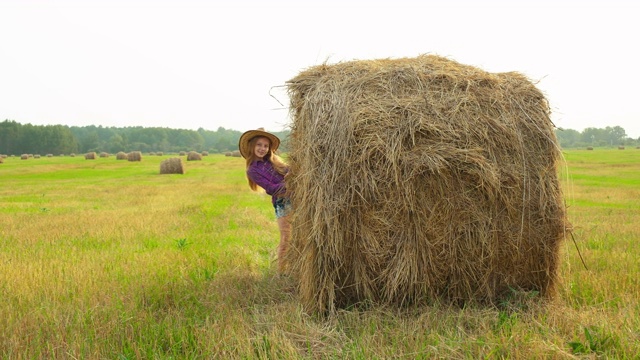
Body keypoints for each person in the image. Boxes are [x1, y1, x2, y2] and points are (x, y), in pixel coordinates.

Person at [238, 128, 291, 273]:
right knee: (287, 238)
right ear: (252, 146)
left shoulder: (274, 161)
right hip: (283, 203)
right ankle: (282, 272)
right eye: (259, 145)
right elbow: (271, 188)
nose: (262, 148)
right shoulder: (253, 170)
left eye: (266, 146)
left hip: (297, 198)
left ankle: (296, 269)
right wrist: (291, 184)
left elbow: (290, 171)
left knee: (300, 236)